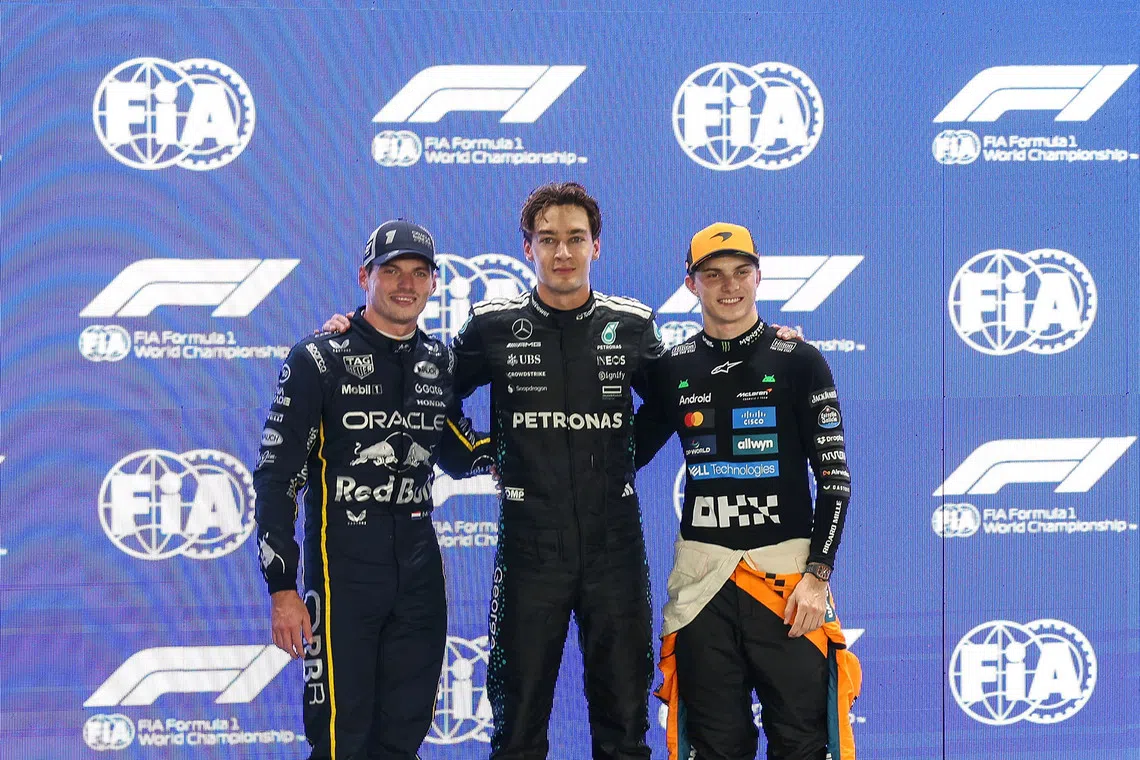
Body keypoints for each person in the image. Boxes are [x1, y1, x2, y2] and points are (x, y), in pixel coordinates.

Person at [253, 219, 492, 760]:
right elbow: (275, 477)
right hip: (342, 568)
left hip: (420, 568)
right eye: (391, 271)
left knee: (405, 730)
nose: (405, 284)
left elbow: (458, 451)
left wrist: (529, 442)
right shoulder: (318, 358)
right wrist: (281, 587)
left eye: (418, 273)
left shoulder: (439, 361)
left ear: (433, 284)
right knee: (340, 734)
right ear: (366, 277)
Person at [635, 222, 861, 760]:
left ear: (758, 277)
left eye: (740, 272)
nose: (728, 286)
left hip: (787, 588)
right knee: (715, 747)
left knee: (802, 743)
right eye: (712, 275)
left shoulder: (799, 360)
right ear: (692, 284)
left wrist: (817, 575)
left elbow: (835, 480)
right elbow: (626, 454)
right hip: (702, 589)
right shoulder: (672, 368)